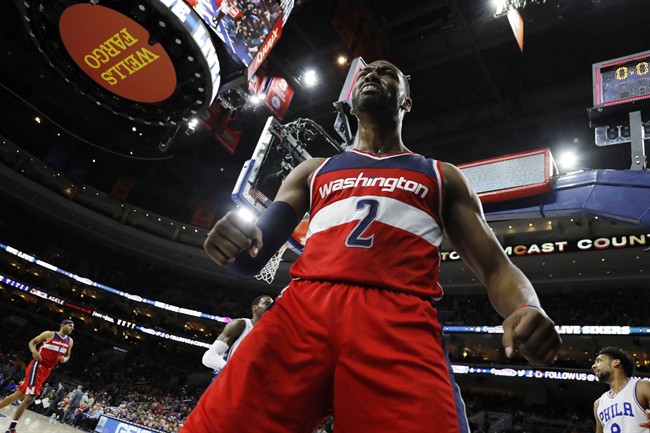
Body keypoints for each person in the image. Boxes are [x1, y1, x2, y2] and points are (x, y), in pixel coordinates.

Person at [184, 60, 561, 433]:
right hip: (302, 312)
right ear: (348, 103)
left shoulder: (441, 176)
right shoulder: (313, 169)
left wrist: (526, 307)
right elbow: (252, 258)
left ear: (406, 102)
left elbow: (496, 268)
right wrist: (232, 245)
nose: (370, 75)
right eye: (365, 72)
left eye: (385, 72)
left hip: (397, 323)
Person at [0, 320, 74, 433]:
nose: (71, 328)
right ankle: (11, 428)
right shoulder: (50, 334)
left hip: (48, 370)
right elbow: (32, 343)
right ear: (63, 325)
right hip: (37, 365)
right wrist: (34, 352)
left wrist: (65, 359)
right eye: (70, 325)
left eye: (73, 327)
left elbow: (68, 355)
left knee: (18, 395)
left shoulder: (70, 341)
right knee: (30, 397)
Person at [201, 295, 273, 378]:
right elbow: (208, 357)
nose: (270, 307)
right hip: (226, 381)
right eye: (266, 303)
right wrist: (234, 371)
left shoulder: (270, 336)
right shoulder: (240, 325)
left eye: (272, 305)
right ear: (254, 308)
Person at [592, 347, 650, 432]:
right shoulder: (598, 404)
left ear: (615, 362)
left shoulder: (641, 387)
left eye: (599, 361)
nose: (593, 366)